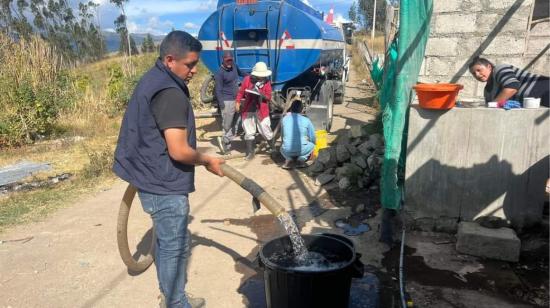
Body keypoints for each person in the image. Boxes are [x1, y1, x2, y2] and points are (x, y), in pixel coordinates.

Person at [113, 31, 225, 308]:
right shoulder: (169, 93)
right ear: (170, 59)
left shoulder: (155, 77)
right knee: (175, 248)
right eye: (190, 65)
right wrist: (206, 159)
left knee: (166, 242)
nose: (195, 71)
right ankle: (177, 303)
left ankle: (174, 296)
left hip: (150, 176)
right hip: (164, 182)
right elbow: (179, 151)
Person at [469, 56, 549, 107]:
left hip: (544, 88)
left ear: (489, 67)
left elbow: (512, 86)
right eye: (474, 73)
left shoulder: (499, 68)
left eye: (479, 70)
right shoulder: (487, 91)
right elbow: (493, 107)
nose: (477, 74)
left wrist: (493, 103)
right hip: (537, 103)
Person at [235, 61, 275, 160]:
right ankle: (250, 153)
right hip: (248, 108)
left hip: (262, 109)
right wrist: (237, 102)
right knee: (249, 131)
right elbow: (241, 92)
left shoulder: (266, 83)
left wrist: (262, 95)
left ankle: (273, 148)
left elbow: (269, 97)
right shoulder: (247, 80)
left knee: (265, 129)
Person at [214, 51, 244, 153]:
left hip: (237, 100)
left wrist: (250, 76)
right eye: (227, 61)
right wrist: (221, 103)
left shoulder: (234, 66)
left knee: (237, 121)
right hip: (227, 101)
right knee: (227, 124)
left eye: (230, 60)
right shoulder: (219, 73)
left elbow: (241, 73)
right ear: (223, 60)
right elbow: (218, 89)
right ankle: (226, 146)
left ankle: (227, 139)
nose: (229, 62)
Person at [280, 100, 316, 169]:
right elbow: (312, 137)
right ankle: (301, 159)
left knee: (281, 147)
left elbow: (282, 136)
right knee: (312, 145)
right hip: (302, 150)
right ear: (302, 110)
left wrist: (284, 144)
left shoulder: (284, 119)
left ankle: (288, 159)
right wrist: (312, 144)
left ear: (291, 109)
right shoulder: (306, 120)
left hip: (287, 150)